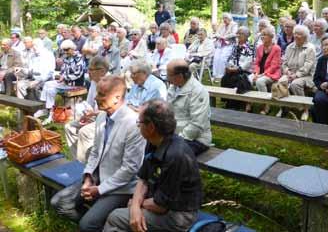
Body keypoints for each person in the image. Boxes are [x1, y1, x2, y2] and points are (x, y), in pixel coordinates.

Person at [51, 76, 146, 232]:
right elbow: (95, 152)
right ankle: (103, 227)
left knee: (86, 225)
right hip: (98, 178)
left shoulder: (133, 124)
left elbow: (130, 170)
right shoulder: (102, 116)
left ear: (117, 98)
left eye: (101, 94)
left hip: (122, 188)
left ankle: (97, 225)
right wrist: (88, 178)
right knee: (59, 203)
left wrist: (100, 190)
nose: (95, 97)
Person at [103, 100, 202, 232]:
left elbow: (161, 206)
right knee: (129, 214)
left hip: (178, 215)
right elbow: (142, 179)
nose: (137, 126)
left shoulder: (175, 156)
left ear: (151, 128)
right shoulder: (154, 141)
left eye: (139, 123)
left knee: (116, 218)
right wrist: (135, 208)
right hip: (156, 201)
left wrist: (136, 205)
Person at [64, 56, 109, 163]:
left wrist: (92, 114)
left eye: (91, 70)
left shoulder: (110, 83)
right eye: (88, 70)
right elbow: (89, 104)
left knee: (84, 132)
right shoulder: (94, 82)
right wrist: (85, 115)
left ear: (102, 71)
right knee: (69, 127)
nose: (88, 73)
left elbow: (109, 110)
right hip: (94, 116)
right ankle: (78, 161)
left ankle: (89, 166)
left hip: (106, 119)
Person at [167, 59, 211, 155]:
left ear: (179, 76)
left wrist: (176, 140)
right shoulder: (173, 87)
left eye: (169, 75)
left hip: (196, 139)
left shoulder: (198, 91)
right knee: (149, 143)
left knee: (171, 154)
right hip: (174, 135)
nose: (167, 77)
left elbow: (197, 125)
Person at [39, 40, 85, 124]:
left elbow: (78, 74)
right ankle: (47, 110)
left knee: (50, 90)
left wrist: (64, 77)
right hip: (65, 83)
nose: (65, 52)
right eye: (64, 50)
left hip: (74, 84)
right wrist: (60, 76)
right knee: (47, 84)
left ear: (72, 48)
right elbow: (63, 71)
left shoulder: (79, 58)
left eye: (67, 50)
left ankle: (50, 114)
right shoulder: (67, 58)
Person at [282, 25, 317, 120]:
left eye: (299, 34)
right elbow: (284, 63)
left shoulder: (310, 48)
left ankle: (305, 109)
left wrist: (296, 75)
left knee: (295, 84)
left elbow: (308, 67)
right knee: (281, 82)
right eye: (295, 33)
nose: (296, 36)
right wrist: (287, 71)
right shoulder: (289, 47)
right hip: (290, 74)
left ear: (305, 36)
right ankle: (285, 107)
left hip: (307, 76)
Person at [249, 27, 282, 114]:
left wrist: (261, 75)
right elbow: (256, 63)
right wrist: (256, 72)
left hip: (272, 73)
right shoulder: (260, 47)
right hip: (259, 72)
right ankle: (249, 102)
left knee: (259, 82)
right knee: (249, 79)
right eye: (262, 35)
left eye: (264, 35)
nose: (262, 37)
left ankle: (266, 105)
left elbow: (274, 66)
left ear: (271, 37)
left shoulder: (276, 48)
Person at [221, 27, 254, 110]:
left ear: (246, 36)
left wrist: (237, 69)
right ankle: (229, 101)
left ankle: (236, 104)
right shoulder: (235, 46)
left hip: (244, 71)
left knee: (239, 79)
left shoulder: (250, 47)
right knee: (225, 78)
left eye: (241, 34)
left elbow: (248, 62)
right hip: (234, 69)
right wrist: (230, 66)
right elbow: (231, 58)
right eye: (237, 33)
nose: (238, 35)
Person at [211, 13, 238, 80]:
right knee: (216, 57)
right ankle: (215, 74)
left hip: (229, 44)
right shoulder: (222, 25)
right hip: (220, 44)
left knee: (223, 58)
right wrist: (220, 36)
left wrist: (224, 37)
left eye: (225, 18)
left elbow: (234, 34)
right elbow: (217, 32)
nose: (224, 20)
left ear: (229, 18)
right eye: (223, 18)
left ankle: (221, 75)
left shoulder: (234, 24)